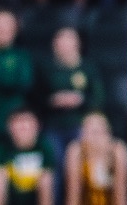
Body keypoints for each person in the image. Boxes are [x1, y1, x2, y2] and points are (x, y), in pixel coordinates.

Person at [41, 28, 103, 164]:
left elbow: (98, 98)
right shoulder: (47, 69)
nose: (64, 44)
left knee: (79, 159)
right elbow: (37, 98)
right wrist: (53, 100)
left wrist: (80, 100)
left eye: (69, 40)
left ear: (78, 43)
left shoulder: (88, 68)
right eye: (60, 40)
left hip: (81, 124)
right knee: (54, 157)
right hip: (53, 125)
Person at [0, 109, 56, 205]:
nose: (24, 127)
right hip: (10, 199)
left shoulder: (44, 147)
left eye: (28, 122)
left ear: (38, 125)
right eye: (18, 122)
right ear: (9, 126)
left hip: (34, 199)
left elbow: (46, 188)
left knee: (45, 183)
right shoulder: (1, 148)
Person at [64, 114, 127, 205]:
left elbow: (120, 194)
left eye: (100, 132)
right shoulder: (76, 151)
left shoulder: (117, 151)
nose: (96, 138)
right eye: (92, 132)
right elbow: (73, 194)